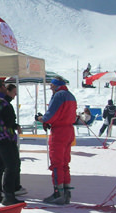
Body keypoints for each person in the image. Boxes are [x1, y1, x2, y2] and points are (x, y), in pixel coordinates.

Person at [36, 76, 77, 205]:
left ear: (56, 85)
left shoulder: (59, 95)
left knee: (56, 162)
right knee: (65, 162)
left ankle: (58, 193)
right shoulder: (71, 95)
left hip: (59, 132)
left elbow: (51, 115)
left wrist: (41, 119)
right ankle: (66, 191)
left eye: (52, 86)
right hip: (69, 130)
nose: (50, 88)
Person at [0, 79, 25, 206]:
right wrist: (14, 125)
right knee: (11, 165)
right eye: (3, 86)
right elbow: (9, 121)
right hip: (4, 138)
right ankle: (9, 195)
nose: (5, 88)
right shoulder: (2, 102)